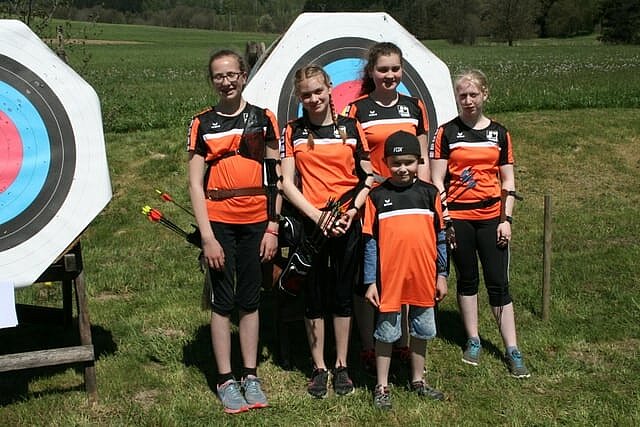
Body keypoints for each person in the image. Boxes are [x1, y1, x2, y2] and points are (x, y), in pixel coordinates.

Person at [187, 49, 281, 414]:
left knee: (250, 298)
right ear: (212, 81)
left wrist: (272, 226)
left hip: (257, 221)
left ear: (243, 76)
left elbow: (275, 177)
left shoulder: (263, 118)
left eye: (231, 74)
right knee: (222, 300)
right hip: (219, 221)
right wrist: (208, 237)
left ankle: (250, 375)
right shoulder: (202, 123)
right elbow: (195, 185)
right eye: (218, 76)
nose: (225, 82)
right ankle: (226, 379)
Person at [430, 69, 530, 378]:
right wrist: (446, 220)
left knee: (498, 283)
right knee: (467, 279)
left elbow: (508, 181)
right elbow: (437, 179)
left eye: (474, 94)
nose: (468, 100)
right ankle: (473, 339)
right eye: (462, 95)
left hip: (491, 218)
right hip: (459, 218)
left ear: (485, 94)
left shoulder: (499, 133)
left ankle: (511, 348)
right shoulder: (446, 133)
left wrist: (506, 219)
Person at [281, 64, 374, 398]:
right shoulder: (292, 131)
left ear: (330, 87)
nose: (314, 99)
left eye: (318, 91)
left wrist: (352, 211)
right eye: (306, 94)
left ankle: (342, 365)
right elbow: (286, 183)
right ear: (299, 97)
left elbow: (368, 177)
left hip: (346, 221)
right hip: (312, 224)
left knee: (342, 294)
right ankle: (319, 367)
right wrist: (316, 216)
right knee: (314, 296)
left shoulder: (351, 126)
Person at [345, 41, 431, 375]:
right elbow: (355, 159)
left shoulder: (414, 106)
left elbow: (422, 158)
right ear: (371, 72)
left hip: (410, 202)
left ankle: (402, 343)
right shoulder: (357, 109)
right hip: (373, 200)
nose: (389, 75)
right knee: (369, 274)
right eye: (383, 69)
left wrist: (425, 197)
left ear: (402, 70)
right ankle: (368, 345)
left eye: (395, 68)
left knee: (405, 271)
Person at [363, 130, 448, 410]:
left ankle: (418, 379)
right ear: (386, 162)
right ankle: (382, 385)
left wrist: (442, 275)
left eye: (409, 162)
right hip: (389, 279)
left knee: (421, 330)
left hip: (423, 276)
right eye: (396, 163)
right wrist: (370, 281)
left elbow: (441, 238)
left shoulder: (430, 194)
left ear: (419, 162)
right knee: (386, 333)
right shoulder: (377, 197)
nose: (402, 168)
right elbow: (370, 242)